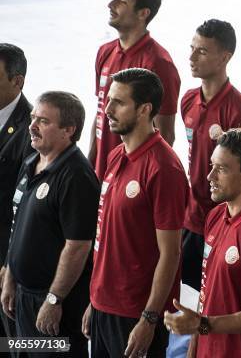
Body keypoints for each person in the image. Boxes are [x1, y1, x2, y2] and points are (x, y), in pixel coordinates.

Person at [83, 68, 189, 357]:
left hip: (136, 315)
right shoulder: (117, 154)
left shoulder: (164, 168)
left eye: (118, 102)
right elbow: (107, 234)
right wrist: (95, 300)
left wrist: (149, 318)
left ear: (144, 110)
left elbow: (170, 253)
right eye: (108, 100)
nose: (107, 109)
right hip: (104, 305)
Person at [163, 128, 241, 358]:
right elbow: (206, 293)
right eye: (212, 166)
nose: (210, 177)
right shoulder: (216, 216)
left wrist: (204, 324)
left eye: (221, 169)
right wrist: (194, 348)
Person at [1, 91, 99, 357]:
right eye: (33, 117)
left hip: (52, 306)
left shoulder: (77, 177)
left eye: (43, 121)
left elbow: (77, 247)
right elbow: (17, 222)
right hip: (22, 298)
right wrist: (10, 275)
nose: (32, 126)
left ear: (69, 129)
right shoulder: (32, 161)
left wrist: (54, 300)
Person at [181, 19, 241, 292]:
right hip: (192, 220)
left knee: (222, 297)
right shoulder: (188, 101)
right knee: (191, 297)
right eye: (192, 48)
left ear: (225, 57)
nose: (192, 57)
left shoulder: (240, 113)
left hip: (225, 222)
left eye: (202, 51)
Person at [89, 0, 181, 179]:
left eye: (122, 0)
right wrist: (90, 163)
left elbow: (166, 135)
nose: (111, 4)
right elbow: (100, 112)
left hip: (131, 178)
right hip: (101, 174)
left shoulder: (159, 63)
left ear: (143, 13)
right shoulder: (104, 52)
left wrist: (139, 178)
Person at [0, 43, 33, 347]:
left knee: (11, 339)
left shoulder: (33, 128)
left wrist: (10, 262)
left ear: (17, 81)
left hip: (7, 253)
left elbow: (24, 205)